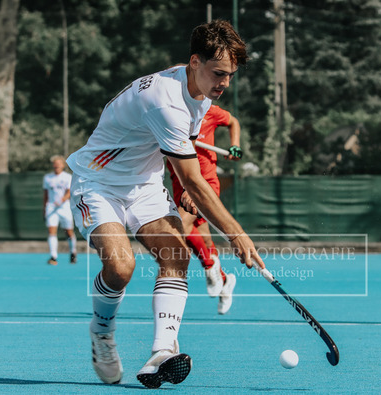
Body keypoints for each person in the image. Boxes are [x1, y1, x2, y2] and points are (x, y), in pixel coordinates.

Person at [66, 19, 265, 388]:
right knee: (121, 267)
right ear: (195, 62)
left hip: (144, 185)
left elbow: (183, 156)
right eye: (218, 73)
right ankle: (102, 331)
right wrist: (235, 233)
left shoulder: (199, 93)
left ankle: (162, 351)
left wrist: (188, 189)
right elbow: (192, 178)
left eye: (230, 75)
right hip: (98, 183)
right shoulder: (166, 102)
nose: (224, 82)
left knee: (176, 255)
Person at [166, 104, 242, 314]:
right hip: (179, 183)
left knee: (180, 225)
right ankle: (224, 281)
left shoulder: (210, 110)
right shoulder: (168, 112)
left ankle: (210, 266)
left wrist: (235, 145)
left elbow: (233, 121)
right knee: (203, 240)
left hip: (204, 183)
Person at [42, 155, 77, 265]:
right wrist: (44, 208)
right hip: (51, 208)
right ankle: (53, 256)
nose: (56, 165)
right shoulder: (47, 178)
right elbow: (45, 194)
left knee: (69, 232)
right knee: (51, 232)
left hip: (64, 208)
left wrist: (61, 200)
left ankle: (73, 252)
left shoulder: (67, 177)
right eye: (55, 164)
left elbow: (69, 192)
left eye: (58, 163)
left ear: (63, 165)